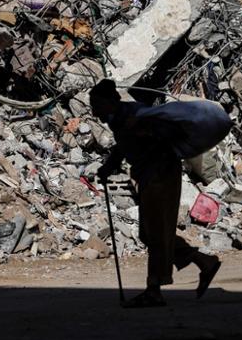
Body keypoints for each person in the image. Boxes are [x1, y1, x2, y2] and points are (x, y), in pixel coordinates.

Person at [90, 79, 221, 307]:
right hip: (148, 176)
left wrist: (143, 128)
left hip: (161, 174)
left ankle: (154, 289)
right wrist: (108, 168)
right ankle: (203, 262)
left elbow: (161, 132)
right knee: (149, 234)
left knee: (157, 232)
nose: (94, 111)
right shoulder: (118, 120)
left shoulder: (137, 114)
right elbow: (122, 147)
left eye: (97, 105)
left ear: (111, 102)